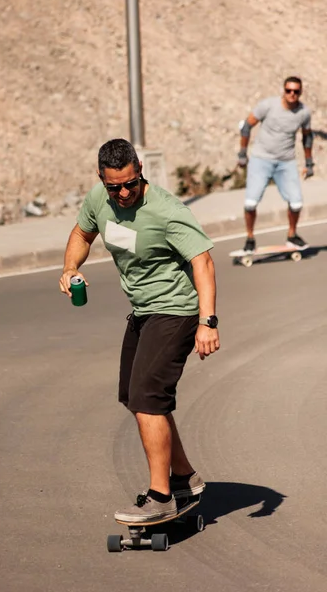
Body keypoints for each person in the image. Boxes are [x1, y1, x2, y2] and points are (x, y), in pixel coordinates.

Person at [59, 138, 220, 523]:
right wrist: (69, 268)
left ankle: (160, 495)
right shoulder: (99, 199)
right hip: (143, 311)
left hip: (176, 311)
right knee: (134, 396)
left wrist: (207, 321)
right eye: (115, 186)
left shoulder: (165, 209)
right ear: (102, 179)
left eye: (132, 182)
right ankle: (184, 478)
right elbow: (82, 234)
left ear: (140, 169)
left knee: (148, 397)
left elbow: (203, 261)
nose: (125, 192)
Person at [237, 76, 314, 253]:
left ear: (300, 92)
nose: (292, 94)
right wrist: (242, 153)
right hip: (261, 160)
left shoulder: (304, 112)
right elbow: (247, 127)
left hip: (286, 162)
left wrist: (309, 163)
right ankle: (250, 238)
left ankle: (292, 235)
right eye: (289, 90)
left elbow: (307, 137)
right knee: (250, 203)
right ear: (283, 90)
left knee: (296, 203)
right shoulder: (268, 105)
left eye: (296, 91)